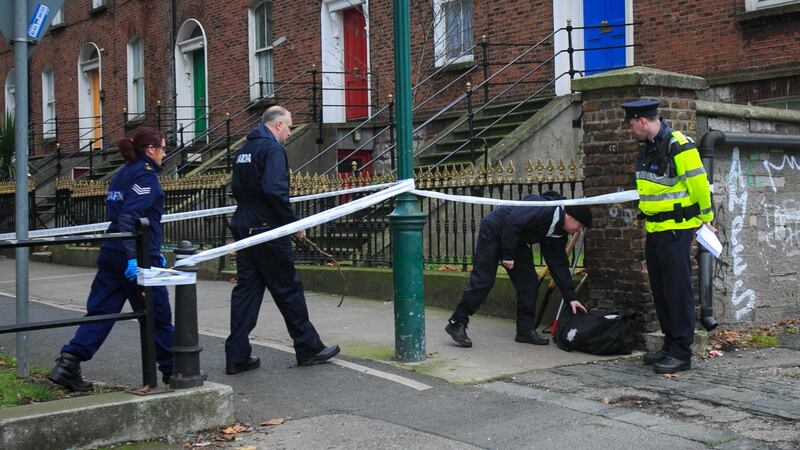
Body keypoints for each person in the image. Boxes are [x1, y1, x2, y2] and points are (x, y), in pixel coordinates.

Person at [49, 127, 174, 391]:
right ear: (151, 149)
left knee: (101, 312)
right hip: (135, 256)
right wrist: (136, 258)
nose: (164, 153)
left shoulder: (122, 174)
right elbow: (129, 218)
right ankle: (173, 369)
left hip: (112, 251)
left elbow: (117, 214)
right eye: (163, 147)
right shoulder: (146, 177)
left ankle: (69, 362)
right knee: (158, 314)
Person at [226, 105, 339, 374]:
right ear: (277, 125)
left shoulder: (244, 150)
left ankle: (237, 355)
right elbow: (275, 190)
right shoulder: (271, 148)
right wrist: (292, 223)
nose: (289, 132)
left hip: (244, 225)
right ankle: (308, 347)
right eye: (288, 127)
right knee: (288, 288)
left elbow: (239, 188)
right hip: (267, 228)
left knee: (247, 291)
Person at [622, 99, 714, 374]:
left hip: (676, 229)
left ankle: (681, 353)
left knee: (677, 292)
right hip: (656, 230)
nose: (630, 130)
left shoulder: (678, 144)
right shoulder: (649, 148)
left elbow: (698, 182)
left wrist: (707, 218)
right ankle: (670, 345)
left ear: (641, 121)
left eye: (630, 124)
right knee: (661, 292)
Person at [446, 193, 592, 347]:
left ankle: (525, 330)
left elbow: (558, 263)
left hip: (516, 240)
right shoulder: (543, 208)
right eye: (580, 226)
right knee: (483, 281)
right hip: (495, 231)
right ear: (571, 218)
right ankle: (456, 322)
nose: (579, 231)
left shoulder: (559, 232)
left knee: (529, 283)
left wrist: (571, 297)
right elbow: (513, 222)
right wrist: (508, 255)